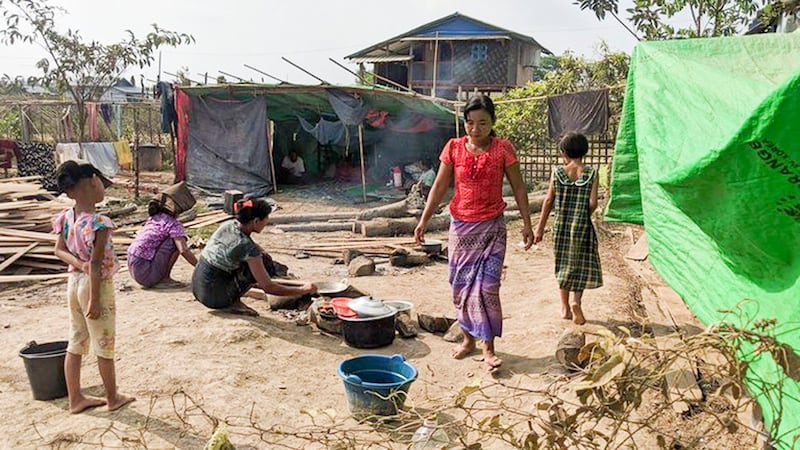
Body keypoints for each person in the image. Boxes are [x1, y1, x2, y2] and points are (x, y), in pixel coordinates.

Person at [414, 95, 533, 373]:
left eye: (482, 123)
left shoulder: (504, 149)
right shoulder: (454, 148)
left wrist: (527, 222)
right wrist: (423, 221)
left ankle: (488, 347)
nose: (475, 129)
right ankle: (468, 339)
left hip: (492, 227)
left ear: (493, 123)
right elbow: (440, 186)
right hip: (461, 227)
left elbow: (518, 188)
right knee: (461, 286)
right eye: (470, 123)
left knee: (488, 288)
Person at [51, 160, 135, 413]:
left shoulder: (66, 217)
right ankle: (112, 398)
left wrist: (79, 264)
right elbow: (96, 263)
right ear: (90, 183)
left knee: (76, 340)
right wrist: (95, 299)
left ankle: (75, 398)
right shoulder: (99, 222)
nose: (103, 187)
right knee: (104, 343)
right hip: (94, 285)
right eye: (100, 181)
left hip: (74, 282)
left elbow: (58, 250)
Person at [192, 197, 317, 316]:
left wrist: (262, 254)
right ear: (256, 221)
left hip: (198, 287)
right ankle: (232, 302)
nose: (267, 221)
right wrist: (304, 289)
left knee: (262, 259)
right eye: (266, 218)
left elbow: (248, 245)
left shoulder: (229, 224)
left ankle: (233, 296)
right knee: (265, 264)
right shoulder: (247, 247)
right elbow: (268, 287)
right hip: (214, 298)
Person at [533, 132, 602, 325]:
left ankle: (564, 308)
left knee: (563, 264)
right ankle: (576, 301)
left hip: (561, 227)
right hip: (582, 227)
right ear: (585, 152)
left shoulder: (558, 172)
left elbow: (548, 201)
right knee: (578, 264)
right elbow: (593, 203)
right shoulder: (592, 173)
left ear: (563, 153)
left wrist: (539, 229)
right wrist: (582, 214)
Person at [127, 182, 198, 288]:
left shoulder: (155, 218)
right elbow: (183, 250)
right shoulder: (173, 224)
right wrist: (201, 267)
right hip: (146, 273)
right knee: (176, 241)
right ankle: (165, 278)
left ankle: (162, 277)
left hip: (134, 267)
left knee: (171, 239)